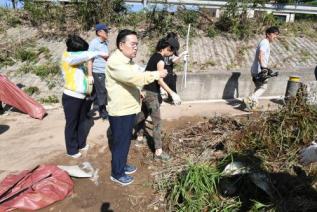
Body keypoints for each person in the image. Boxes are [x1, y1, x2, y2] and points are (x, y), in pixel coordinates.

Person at [106, 29, 167, 186]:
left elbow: (135, 75)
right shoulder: (115, 62)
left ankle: (122, 165)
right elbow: (134, 77)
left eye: (137, 45)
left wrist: (139, 90)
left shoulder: (128, 61)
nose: (135, 48)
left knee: (125, 140)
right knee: (120, 142)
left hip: (128, 108)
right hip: (120, 111)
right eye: (132, 44)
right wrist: (157, 74)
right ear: (121, 45)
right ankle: (117, 173)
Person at [134, 37, 182, 161]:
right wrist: (172, 93)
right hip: (152, 94)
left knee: (142, 115)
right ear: (167, 48)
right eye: (172, 52)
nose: (172, 54)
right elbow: (159, 80)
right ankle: (158, 152)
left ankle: (139, 138)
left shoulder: (154, 56)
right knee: (157, 123)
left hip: (145, 91)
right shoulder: (160, 60)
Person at [61, 34, 107, 158]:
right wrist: (99, 53)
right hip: (71, 96)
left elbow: (85, 57)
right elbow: (86, 55)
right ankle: (72, 150)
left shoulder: (77, 57)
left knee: (82, 121)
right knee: (72, 123)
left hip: (82, 96)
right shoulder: (67, 58)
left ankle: (81, 144)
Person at [244, 26, 280, 111]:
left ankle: (251, 106)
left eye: (277, 35)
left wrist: (266, 68)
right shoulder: (265, 42)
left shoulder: (264, 42)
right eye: (274, 34)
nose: (275, 36)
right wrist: (264, 68)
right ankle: (251, 98)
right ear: (268, 34)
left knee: (258, 87)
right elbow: (261, 55)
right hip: (259, 70)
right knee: (263, 87)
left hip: (256, 69)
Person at [88, 23, 110, 120]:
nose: (107, 32)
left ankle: (84, 111)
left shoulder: (105, 43)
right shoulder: (94, 43)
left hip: (104, 71)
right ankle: (103, 113)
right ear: (100, 32)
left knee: (96, 93)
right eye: (106, 30)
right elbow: (89, 59)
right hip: (97, 72)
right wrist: (90, 75)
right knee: (102, 92)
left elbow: (105, 58)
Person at [161, 32, 188, 102]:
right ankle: (172, 98)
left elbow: (175, 60)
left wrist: (184, 57)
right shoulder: (168, 47)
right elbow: (174, 60)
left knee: (171, 84)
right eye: (176, 38)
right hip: (165, 69)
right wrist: (182, 54)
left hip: (168, 69)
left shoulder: (168, 46)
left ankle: (171, 98)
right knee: (167, 85)